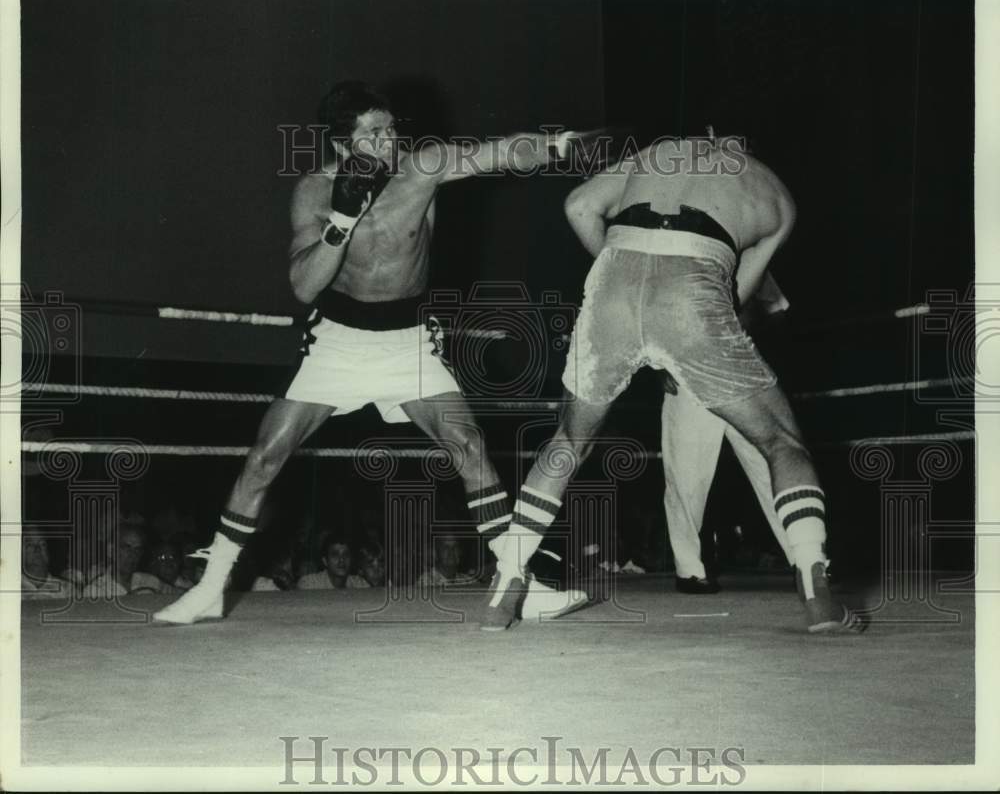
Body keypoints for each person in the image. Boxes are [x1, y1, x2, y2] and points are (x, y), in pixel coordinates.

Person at [153, 81, 596, 625]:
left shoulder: (423, 167)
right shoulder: (315, 191)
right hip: (337, 342)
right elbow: (303, 286)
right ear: (342, 145)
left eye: (390, 129)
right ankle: (211, 586)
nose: (389, 141)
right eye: (374, 133)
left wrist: (559, 144)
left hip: (407, 342)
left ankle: (519, 584)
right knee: (266, 455)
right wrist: (341, 223)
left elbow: (496, 153)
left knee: (468, 443)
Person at [485, 135, 865, 634]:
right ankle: (817, 596)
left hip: (612, 279)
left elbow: (578, 205)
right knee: (780, 442)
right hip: (694, 282)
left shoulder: (658, 153)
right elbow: (732, 299)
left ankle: (506, 581)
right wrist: (678, 338)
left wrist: (619, 272)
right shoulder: (775, 195)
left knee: (569, 441)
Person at [662, 272, 794, 593]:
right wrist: (662, 363)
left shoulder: (747, 255)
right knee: (686, 476)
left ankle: (808, 559)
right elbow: (651, 318)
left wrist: (745, 326)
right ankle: (689, 569)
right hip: (688, 372)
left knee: (772, 465)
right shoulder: (672, 260)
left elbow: (778, 311)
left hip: (744, 374)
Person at [297, 537, 370, 589]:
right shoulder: (310, 585)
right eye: (335, 555)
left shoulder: (360, 585)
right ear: (325, 561)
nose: (341, 559)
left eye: (346, 554)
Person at [21, 527, 72, 601]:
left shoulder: (67, 588)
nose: (37, 549)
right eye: (30, 545)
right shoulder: (7, 587)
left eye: (42, 544)